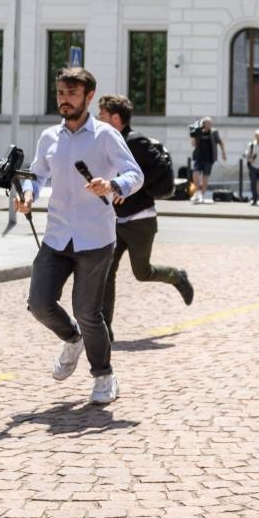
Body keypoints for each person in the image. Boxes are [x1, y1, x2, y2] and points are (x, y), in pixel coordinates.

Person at [15, 68, 144, 404]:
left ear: (88, 97)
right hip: (57, 236)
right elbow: (37, 175)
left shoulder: (104, 135)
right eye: (60, 93)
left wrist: (113, 185)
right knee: (39, 304)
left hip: (96, 237)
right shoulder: (49, 138)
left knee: (88, 312)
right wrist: (28, 195)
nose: (64, 100)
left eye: (71, 94)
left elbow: (136, 174)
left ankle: (103, 375)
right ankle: (72, 340)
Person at [96, 95, 195, 343]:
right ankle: (105, 329)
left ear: (116, 118)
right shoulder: (106, 144)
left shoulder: (135, 142)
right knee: (107, 272)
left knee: (142, 272)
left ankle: (176, 275)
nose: (98, 119)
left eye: (103, 115)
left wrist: (127, 188)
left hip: (140, 219)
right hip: (115, 221)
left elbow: (155, 173)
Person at [190, 116, 226, 204]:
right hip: (199, 157)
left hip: (209, 158)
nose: (210, 125)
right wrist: (194, 135)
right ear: (204, 124)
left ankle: (202, 194)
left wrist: (223, 153)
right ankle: (197, 192)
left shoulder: (214, 132)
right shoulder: (198, 132)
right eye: (208, 123)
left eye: (211, 123)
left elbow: (221, 142)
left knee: (205, 177)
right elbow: (193, 144)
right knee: (195, 174)